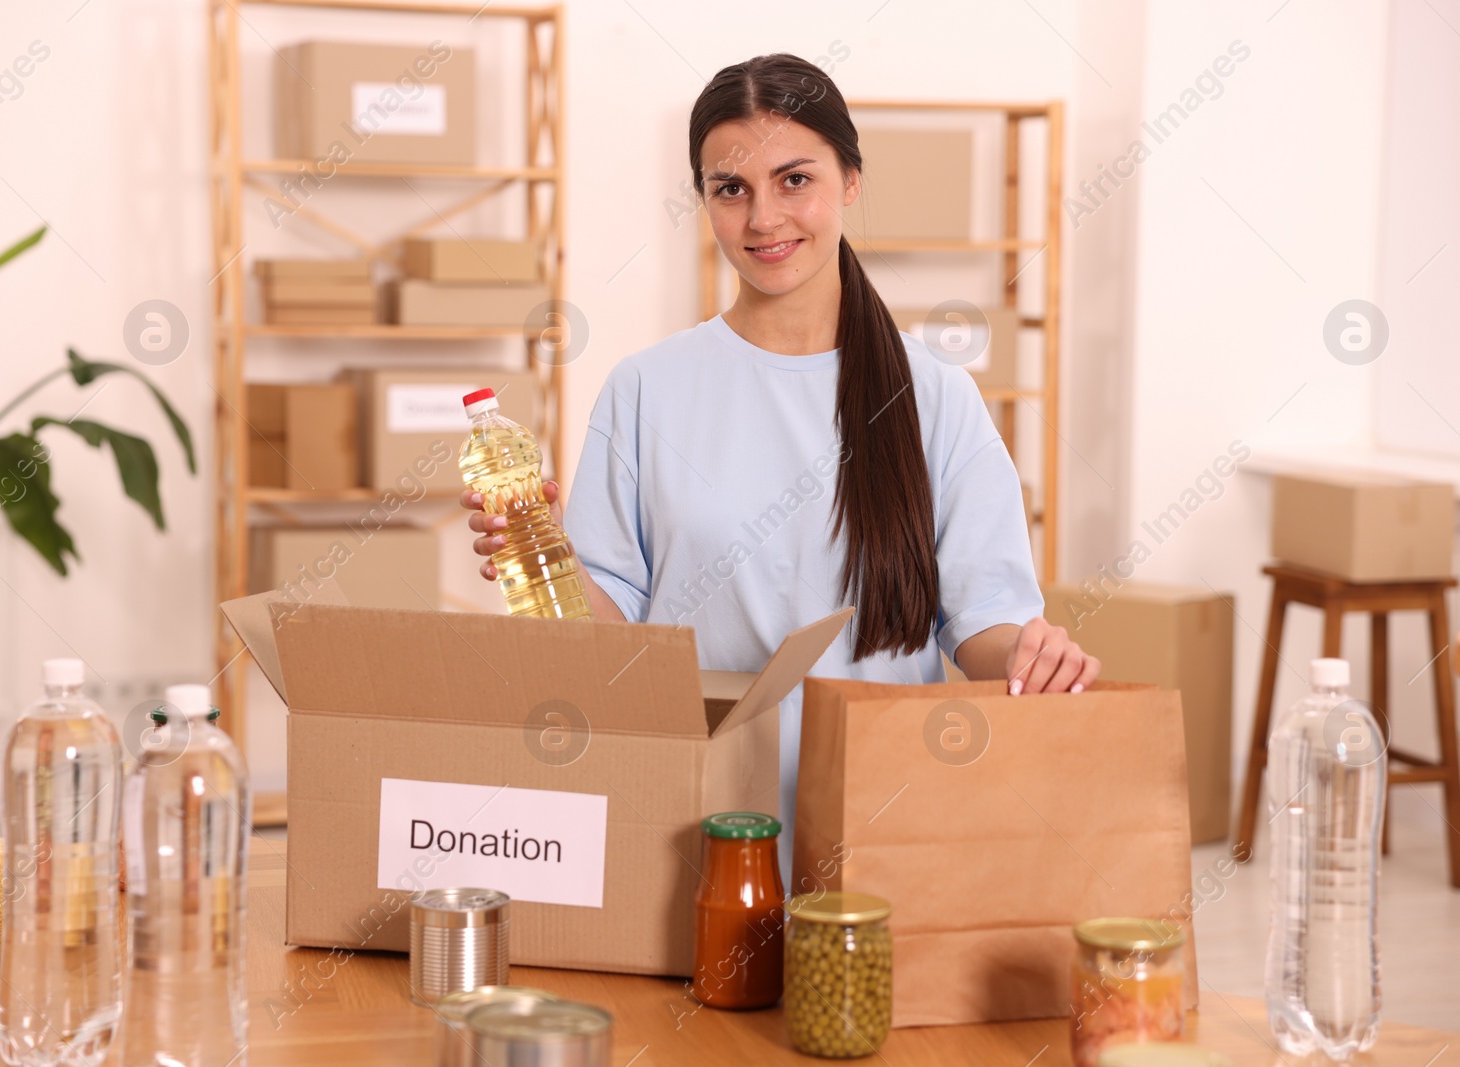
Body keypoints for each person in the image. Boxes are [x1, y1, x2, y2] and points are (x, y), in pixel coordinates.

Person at [461, 53, 1100, 874]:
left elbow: (984, 622)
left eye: (794, 179)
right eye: (732, 189)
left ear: (850, 182)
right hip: (696, 827)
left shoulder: (932, 397)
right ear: (705, 203)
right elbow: (609, 641)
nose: (764, 217)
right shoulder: (646, 391)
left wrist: (1032, 658)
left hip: (883, 827)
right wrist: (544, 552)